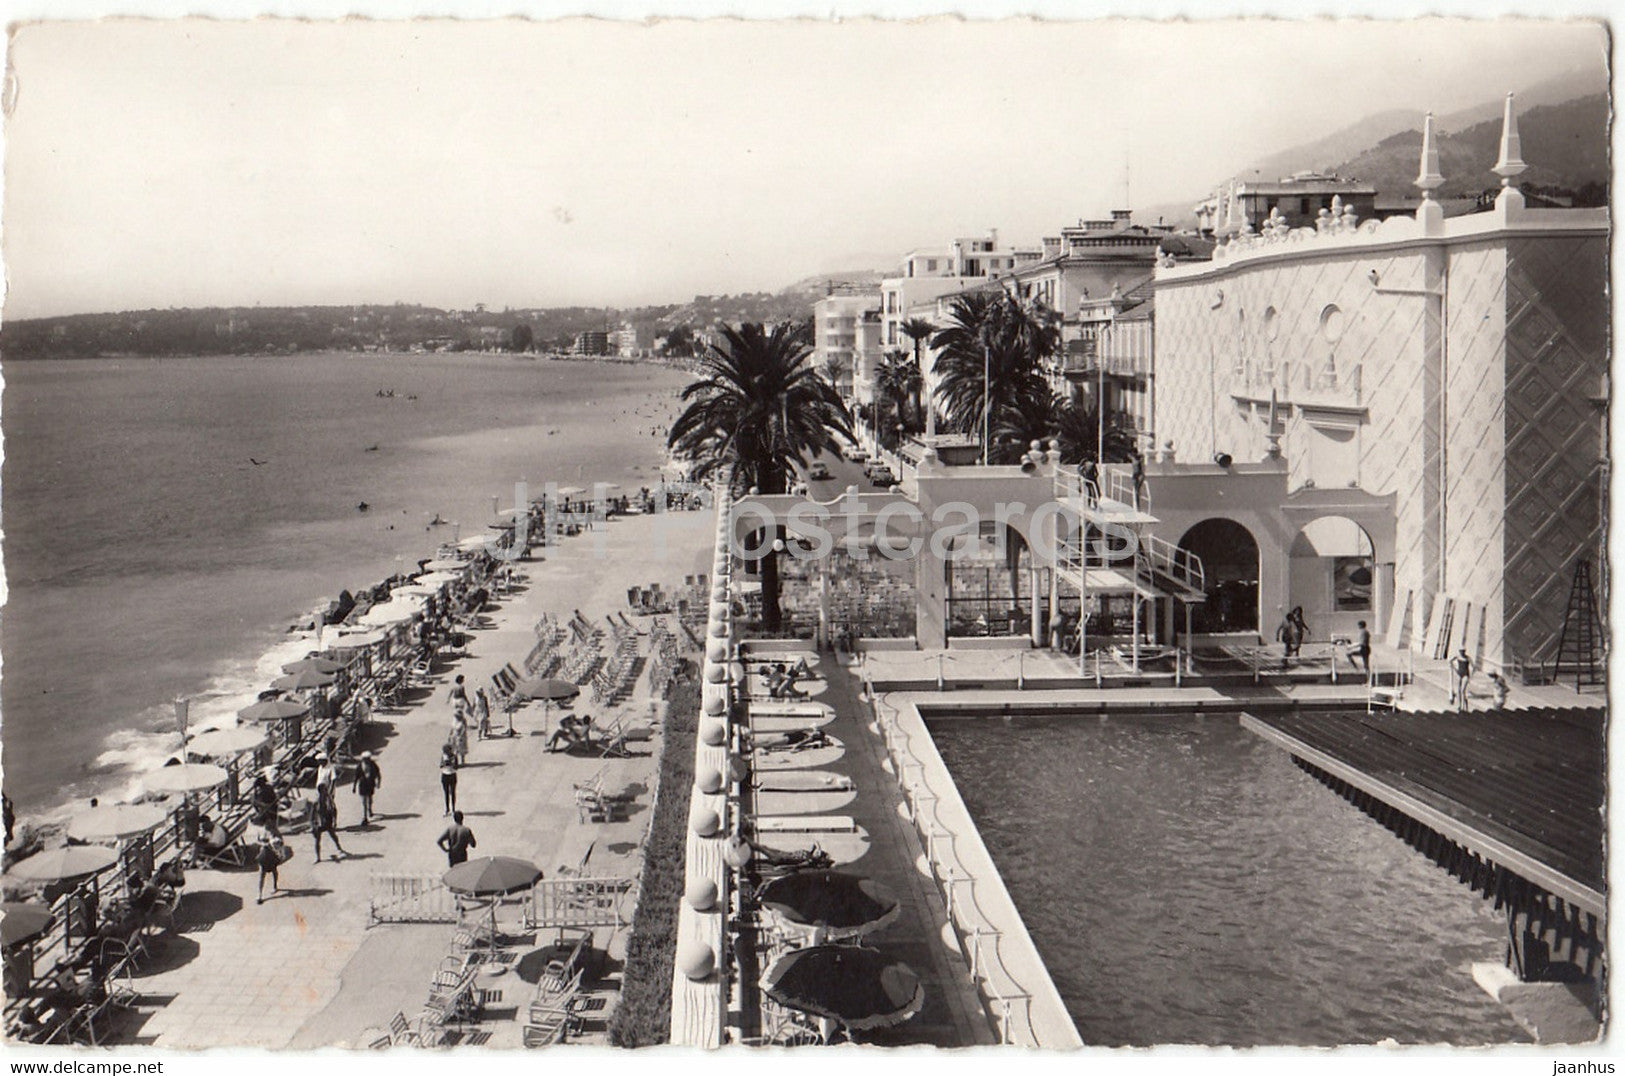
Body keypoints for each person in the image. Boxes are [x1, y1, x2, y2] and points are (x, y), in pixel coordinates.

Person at [310, 787, 346, 862]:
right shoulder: (316, 802)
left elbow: (334, 810)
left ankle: (339, 848)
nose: (326, 792)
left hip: (327, 821)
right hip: (319, 823)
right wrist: (312, 825)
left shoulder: (329, 800)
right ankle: (318, 857)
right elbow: (312, 815)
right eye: (324, 791)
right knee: (317, 840)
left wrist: (335, 821)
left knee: (333, 836)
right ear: (320, 792)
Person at [353, 751, 381, 825]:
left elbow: (378, 774)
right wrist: (354, 786)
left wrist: (378, 782)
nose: (366, 760)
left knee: (370, 799)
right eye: (365, 759)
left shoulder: (373, 765)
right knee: (363, 802)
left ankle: (370, 810)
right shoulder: (359, 766)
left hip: (370, 784)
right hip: (362, 785)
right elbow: (356, 777)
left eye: (368, 759)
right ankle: (364, 817)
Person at [255, 830, 282, 904]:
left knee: (274, 872)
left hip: (270, 857)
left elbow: (278, 843)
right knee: (262, 875)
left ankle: (275, 886)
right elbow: (258, 841)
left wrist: (275, 845)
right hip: (264, 858)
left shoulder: (272, 837)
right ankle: (259, 894)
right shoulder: (262, 832)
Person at [250, 771, 281, 835]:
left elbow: (258, 803)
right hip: (274, 809)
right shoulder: (269, 787)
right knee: (256, 803)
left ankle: (260, 818)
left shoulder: (261, 792)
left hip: (269, 811)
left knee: (254, 803)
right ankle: (260, 816)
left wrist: (256, 800)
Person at [1449, 647, 1473, 712]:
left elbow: (1473, 666)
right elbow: (1450, 661)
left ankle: (1463, 706)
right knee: (1458, 690)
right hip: (1459, 673)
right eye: (1461, 651)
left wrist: (1471, 675)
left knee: (1463, 691)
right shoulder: (1457, 657)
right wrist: (1454, 669)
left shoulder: (1467, 658)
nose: (1462, 652)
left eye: (1463, 651)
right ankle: (1459, 705)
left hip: (1465, 674)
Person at [440, 745, 458, 815]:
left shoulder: (454, 757)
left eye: (447, 751)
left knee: (453, 792)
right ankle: (447, 809)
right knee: (446, 793)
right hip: (445, 775)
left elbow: (456, 767)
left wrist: (451, 763)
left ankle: (453, 808)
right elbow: (440, 765)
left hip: (452, 775)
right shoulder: (443, 756)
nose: (446, 753)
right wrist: (444, 763)